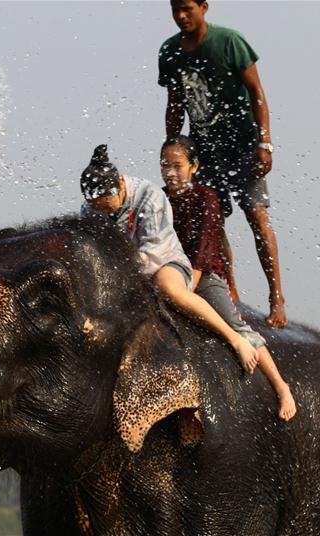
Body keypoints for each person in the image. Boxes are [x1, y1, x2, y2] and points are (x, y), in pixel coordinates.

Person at [159, 0, 289, 328]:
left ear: (204, 7)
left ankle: (277, 298)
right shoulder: (170, 52)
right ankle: (231, 291)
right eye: (175, 9)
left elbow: (257, 92)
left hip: (243, 145)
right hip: (204, 149)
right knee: (212, 220)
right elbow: (174, 103)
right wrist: (173, 152)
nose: (181, 16)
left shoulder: (229, 42)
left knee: (257, 215)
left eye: (187, 8)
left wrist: (265, 143)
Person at [79, 144, 261, 378]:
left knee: (169, 289)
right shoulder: (89, 209)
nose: (103, 212)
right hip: (122, 271)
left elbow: (153, 249)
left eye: (106, 205)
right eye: (97, 207)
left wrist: (119, 275)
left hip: (164, 262)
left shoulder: (149, 195)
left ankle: (235, 339)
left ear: (121, 184)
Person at [160, 135, 296, 420]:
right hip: (168, 277)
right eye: (165, 166)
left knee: (237, 325)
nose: (170, 173)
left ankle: (281, 386)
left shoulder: (206, 199)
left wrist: (185, 293)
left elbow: (201, 255)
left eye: (177, 166)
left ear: (194, 167)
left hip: (203, 277)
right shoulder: (158, 200)